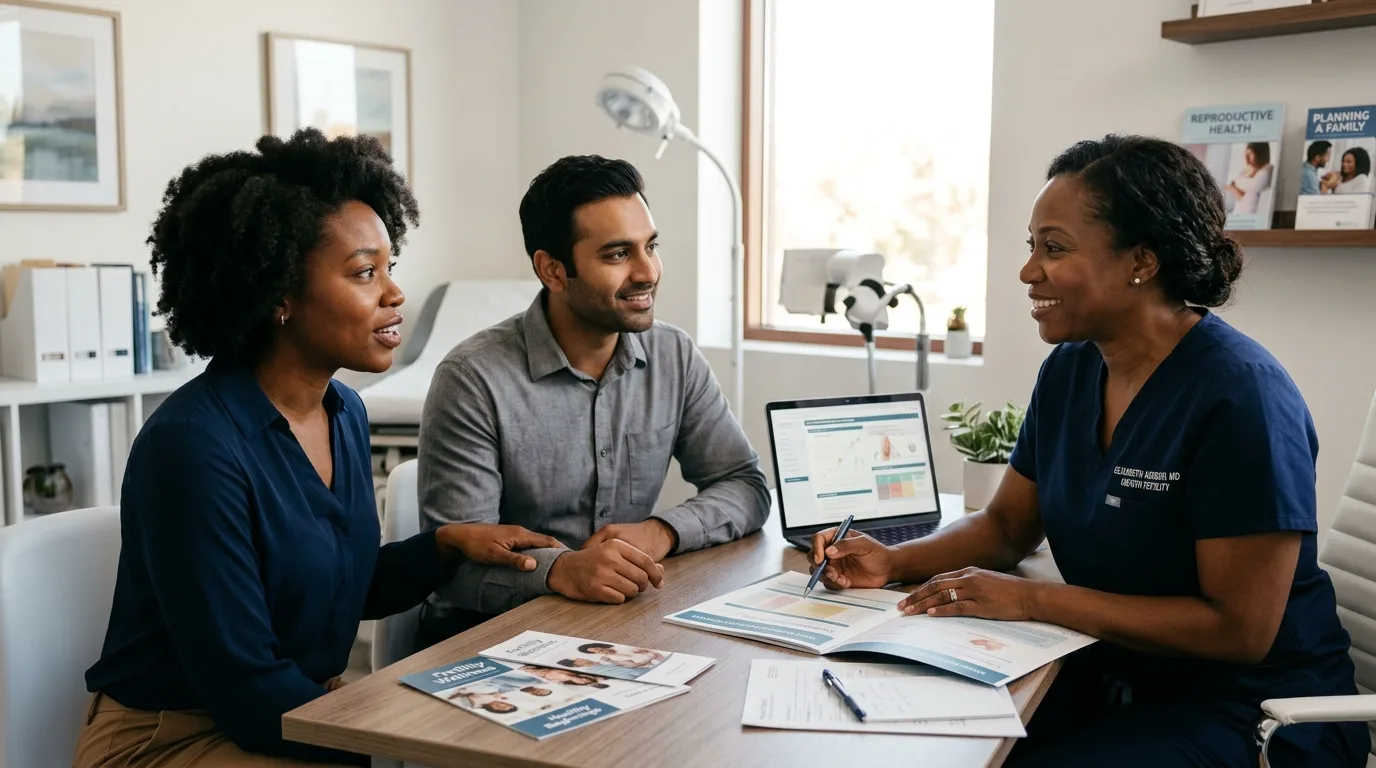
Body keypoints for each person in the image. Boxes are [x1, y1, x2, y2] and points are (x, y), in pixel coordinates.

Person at [809, 134, 1368, 767]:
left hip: (1258, 714)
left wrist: (1032, 599)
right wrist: (894, 561)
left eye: (1054, 248)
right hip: (1118, 674)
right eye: (1032, 247)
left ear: (1141, 260)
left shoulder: (1241, 397)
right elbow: (1005, 526)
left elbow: (1240, 629)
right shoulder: (1072, 370)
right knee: (924, 743)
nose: (1028, 271)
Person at [74, 129, 560, 768]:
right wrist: (382, 733)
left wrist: (444, 548)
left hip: (293, 711)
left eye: (391, 267)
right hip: (170, 739)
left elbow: (330, 586)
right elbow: (243, 684)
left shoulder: (342, 412)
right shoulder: (191, 448)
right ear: (278, 293)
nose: (393, 294)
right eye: (364, 273)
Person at [414, 155, 770, 648]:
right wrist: (561, 570)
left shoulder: (673, 354)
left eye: (651, 247)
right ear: (553, 270)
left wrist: (662, 530)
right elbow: (451, 563)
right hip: (487, 637)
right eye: (618, 254)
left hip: (617, 627)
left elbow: (745, 486)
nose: (647, 272)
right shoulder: (473, 379)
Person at [1224, 141, 1273, 214]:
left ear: (1260, 154)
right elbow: (1241, 197)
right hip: (1240, 213)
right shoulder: (1247, 171)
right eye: (1246, 155)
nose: (1246, 159)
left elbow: (1255, 186)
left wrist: (1236, 184)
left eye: (1250, 154)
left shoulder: (1267, 171)